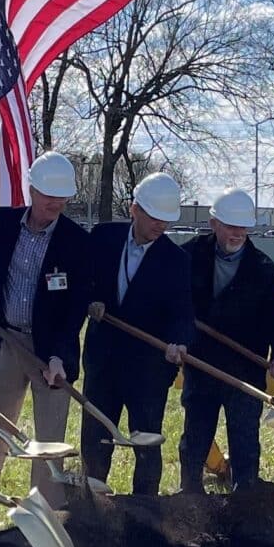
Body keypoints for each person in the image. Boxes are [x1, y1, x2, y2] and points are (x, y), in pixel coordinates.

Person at [0, 151, 91, 534]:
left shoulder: (75, 241)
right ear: (32, 190)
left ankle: (42, 523)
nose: (54, 204)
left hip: (49, 352)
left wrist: (58, 356)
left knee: (49, 441)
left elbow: (74, 308)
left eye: (62, 197)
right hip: (5, 340)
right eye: (47, 195)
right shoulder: (5, 222)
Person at [81, 172, 193, 495]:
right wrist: (92, 299)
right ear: (134, 210)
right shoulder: (103, 238)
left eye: (166, 221)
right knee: (95, 438)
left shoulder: (176, 260)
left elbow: (183, 313)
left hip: (148, 371)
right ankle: (90, 507)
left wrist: (178, 342)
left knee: (146, 443)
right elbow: (82, 281)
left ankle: (145, 512)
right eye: (155, 218)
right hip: (103, 363)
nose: (161, 226)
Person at [179, 189, 274, 492]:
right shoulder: (188, 256)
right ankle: (188, 494)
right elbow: (172, 304)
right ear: (214, 222)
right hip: (201, 364)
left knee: (244, 437)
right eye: (231, 226)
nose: (237, 233)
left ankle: (247, 495)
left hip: (245, 369)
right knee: (196, 434)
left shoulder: (264, 269)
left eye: (243, 227)